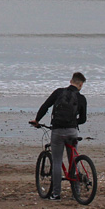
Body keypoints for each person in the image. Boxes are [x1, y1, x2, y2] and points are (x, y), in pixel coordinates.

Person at [30, 72, 87, 200]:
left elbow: (45, 106)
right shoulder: (81, 98)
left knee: (56, 161)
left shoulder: (58, 92)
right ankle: (76, 193)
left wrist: (37, 120)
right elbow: (83, 119)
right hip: (72, 131)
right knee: (73, 160)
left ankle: (56, 194)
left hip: (57, 131)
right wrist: (73, 122)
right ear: (80, 84)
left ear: (70, 80)